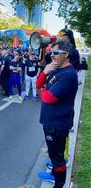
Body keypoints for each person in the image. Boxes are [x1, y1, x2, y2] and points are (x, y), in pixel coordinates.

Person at [36, 40, 78, 188]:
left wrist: (42, 91)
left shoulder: (68, 74)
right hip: (50, 121)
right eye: (51, 52)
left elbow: (48, 98)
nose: (52, 56)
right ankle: (54, 175)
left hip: (58, 123)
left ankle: (59, 184)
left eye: (55, 53)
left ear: (66, 54)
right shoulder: (54, 68)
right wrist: (45, 71)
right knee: (54, 154)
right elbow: (38, 84)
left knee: (57, 157)